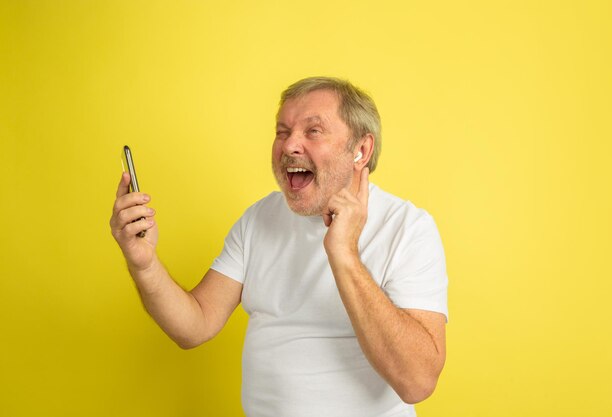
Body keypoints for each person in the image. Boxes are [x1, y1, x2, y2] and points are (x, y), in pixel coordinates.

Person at [110, 77, 448, 417]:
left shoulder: (408, 229)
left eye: (313, 131)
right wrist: (144, 265)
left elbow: (416, 382)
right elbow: (194, 325)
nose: (289, 146)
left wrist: (344, 254)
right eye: (282, 132)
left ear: (360, 150)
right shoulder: (259, 220)